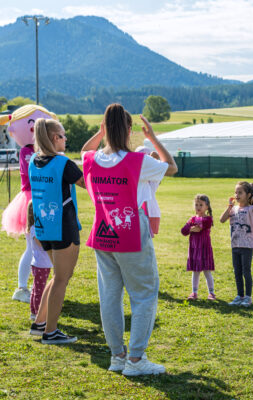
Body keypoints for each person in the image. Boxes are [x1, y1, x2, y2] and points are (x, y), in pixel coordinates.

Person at [81, 104, 177, 375]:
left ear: (104, 129)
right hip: (132, 234)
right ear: (129, 130)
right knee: (144, 294)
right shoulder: (136, 161)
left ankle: (117, 356)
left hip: (102, 235)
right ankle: (135, 359)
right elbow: (171, 167)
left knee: (109, 297)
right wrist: (154, 139)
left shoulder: (92, 159)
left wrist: (101, 135)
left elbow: (83, 151)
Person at [28, 118, 85, 344]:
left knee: (57, 276)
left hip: (43, 227)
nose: (66, 139)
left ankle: (40, 323)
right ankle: (50, 332)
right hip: (63, 227)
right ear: (54, 138)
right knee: (62, 278)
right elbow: (90, 183)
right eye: (63, 135)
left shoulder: (34, 160)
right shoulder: (64, 164)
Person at [1, 105, 58, 304]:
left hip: (38, 199)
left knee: (38, 247)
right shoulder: (27, 151)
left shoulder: (34, 151)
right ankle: (22, 287)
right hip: (31, 201)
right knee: (32, 247)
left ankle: (33, 286)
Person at [220, 181, 253, 307]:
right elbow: (222, 219)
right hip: (235, 245)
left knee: (246, 271)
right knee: (237, 271)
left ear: (248, 195)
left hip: (247, 245)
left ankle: (248, 297)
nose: (237, 195)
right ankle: (239, 296)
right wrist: (229, 206)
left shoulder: (251, 209)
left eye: (240, 192)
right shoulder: (233, 209)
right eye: (236, 192)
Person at [181, 194, 215, 300]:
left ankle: (211, 293)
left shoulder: (208, 219)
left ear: (207, 207)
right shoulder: (192, 219)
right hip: (194, 249)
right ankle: (194, 292)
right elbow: (183, 231)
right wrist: (192, 227)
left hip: (204, 248)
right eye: (196, 204)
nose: (198, 207)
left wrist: (191, 227)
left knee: (206, 271)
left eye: (201, 205)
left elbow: (200, 227)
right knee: (195, 271)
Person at [25, 200, 53, 325]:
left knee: (36, 288)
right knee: (39, 290)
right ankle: (37, 313)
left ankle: (34, 311)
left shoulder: (33, 227)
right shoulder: (36, 229)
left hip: (40, 263)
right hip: (41, 264)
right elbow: (40, 243)